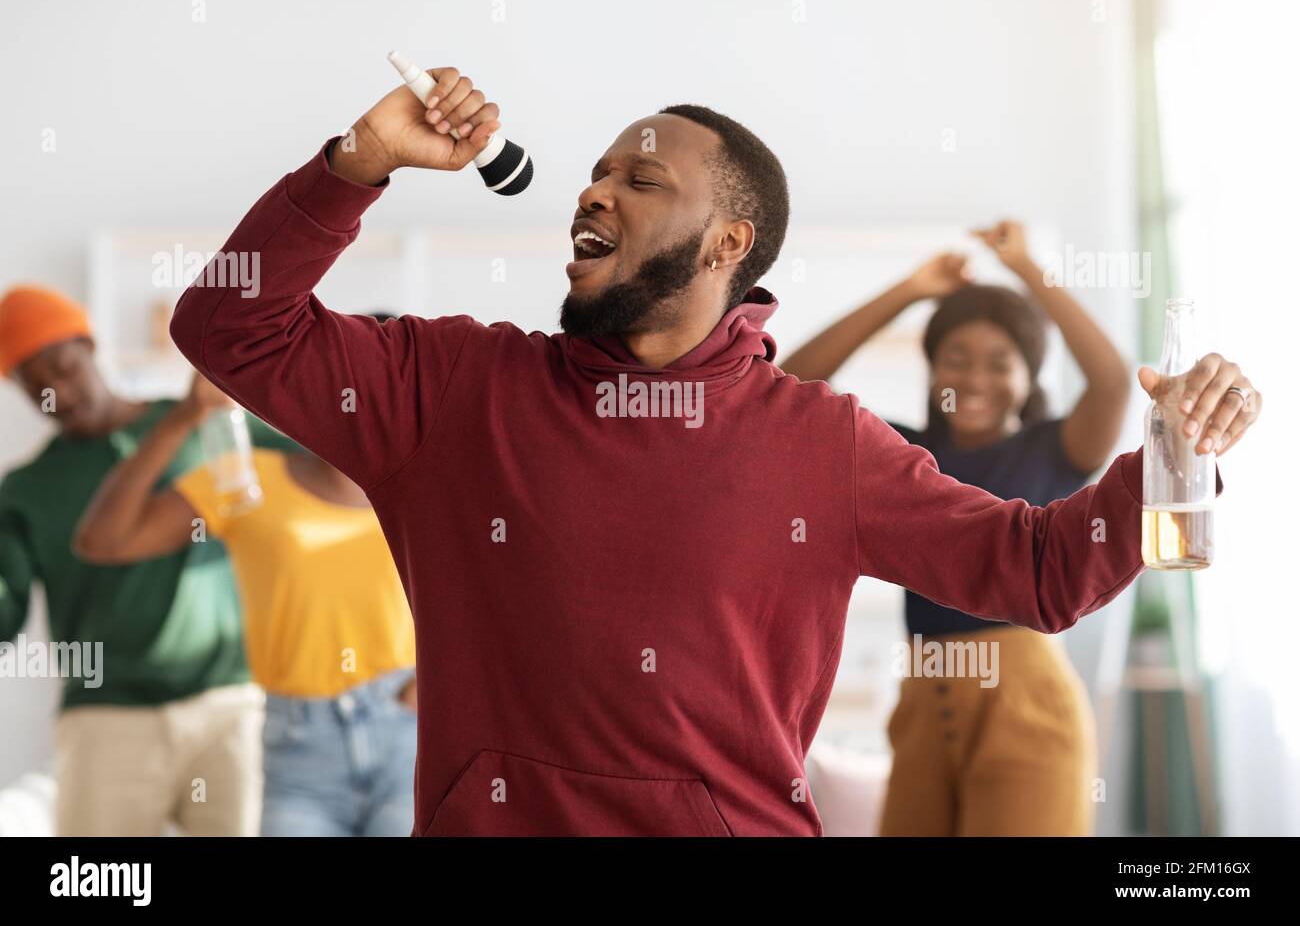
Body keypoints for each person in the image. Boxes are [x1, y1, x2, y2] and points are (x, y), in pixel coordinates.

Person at [167, 66, 1261, 836]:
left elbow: (1041, 568)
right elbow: (227, 329)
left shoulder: (822, 443)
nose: (593, 191)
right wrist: (360, 161)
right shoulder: (454, 390)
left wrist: (1180, 451)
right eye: (594, 175)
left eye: (640, 182)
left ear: (728, 243)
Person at [780, 222, 1131, 834]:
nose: (975, 379)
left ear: (1029, 379)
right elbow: (792, 389)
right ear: (932, 366)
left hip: (1024, 702)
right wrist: (910, 290)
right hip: (922, 699)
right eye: (956, 358)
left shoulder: (1055, 450)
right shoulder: (903, 454)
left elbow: (1111, 381)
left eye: (1001, 363)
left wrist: (1026, 268)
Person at [73, 351, 419, 837]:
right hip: (297, 747)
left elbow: (493, 598)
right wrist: (181, 419)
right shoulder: (248, 481)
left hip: (409, 738)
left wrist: (430, 685)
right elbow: (104, 540)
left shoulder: (426, 489)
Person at [0, 283, 295, 836]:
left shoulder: (208, 422)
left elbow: (328, 472)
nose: (60, 392)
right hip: (106, 720)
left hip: (226, 706)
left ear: (89, 345)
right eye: (36, 384)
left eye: (65, 366)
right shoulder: (25, 491)